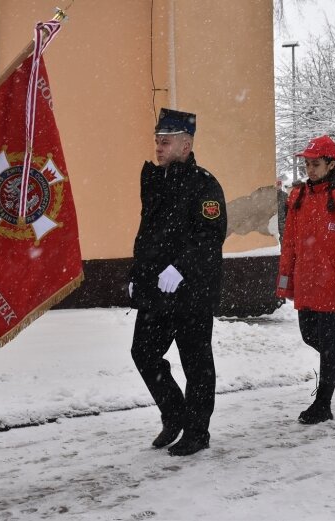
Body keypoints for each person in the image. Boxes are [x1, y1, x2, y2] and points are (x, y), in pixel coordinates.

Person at [128, 108, 227, 456]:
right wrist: (136, 276)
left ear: (185, 145)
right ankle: (174, 415)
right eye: (157, 141)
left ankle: (197, 431)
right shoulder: (156, 180)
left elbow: (209, 237)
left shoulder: (204, 184)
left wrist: (181, 267)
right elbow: (148, 236)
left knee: (196, 362)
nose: (158, 147)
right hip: (157, 292)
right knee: (143, 352)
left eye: (165, 142)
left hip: (192, 292)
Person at [276, 135, 335, 424]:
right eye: (307, 164)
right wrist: (285, 278)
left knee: (328, 341)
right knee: (310, 336)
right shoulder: (299, 196)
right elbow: (290, 241)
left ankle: (323, 404)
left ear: (331, 164)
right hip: (307, 280)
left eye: (315, 164)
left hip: (333, 282)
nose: (310, 169)